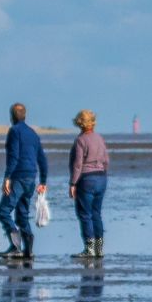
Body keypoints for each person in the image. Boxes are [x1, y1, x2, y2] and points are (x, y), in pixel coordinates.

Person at [0, 103, 47, 263]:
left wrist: (7, 177)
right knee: (22, 215)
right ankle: (29, 250)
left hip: (18, 177)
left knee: (4, 211)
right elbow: (42, 159)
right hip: (31, 178)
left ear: (12, 116)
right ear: (24, 116)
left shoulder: (14, 131)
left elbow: (14, 156)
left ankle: (16, 247)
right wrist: (43, 180)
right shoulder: (33, 133)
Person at [67, 108, 109, 260]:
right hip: (101, 177)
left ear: (79, 123)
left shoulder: (81, 140)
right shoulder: (99, 138)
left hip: (87, 179)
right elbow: (106, 160)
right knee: (96, 213)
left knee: (85, 214)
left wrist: (73, 183)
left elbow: (78, 164)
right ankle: (99, 249)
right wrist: (102, 173)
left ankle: (89, 249)